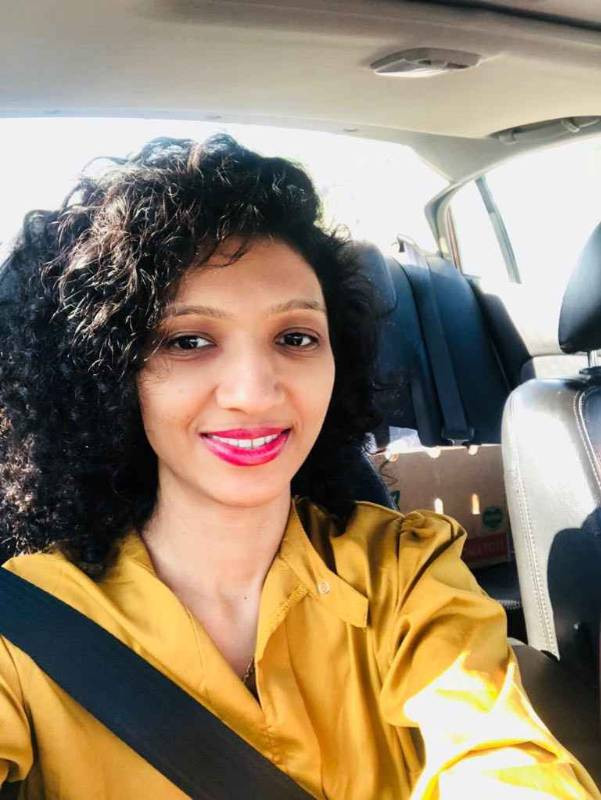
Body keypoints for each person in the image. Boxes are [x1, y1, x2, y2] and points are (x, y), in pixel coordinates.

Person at [0, 134, 597, 799]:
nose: (255, 393)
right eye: (188, 340)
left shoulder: (402, 568)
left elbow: (501, 755)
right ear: (112, 374)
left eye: (295, 337)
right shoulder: (27, 618)